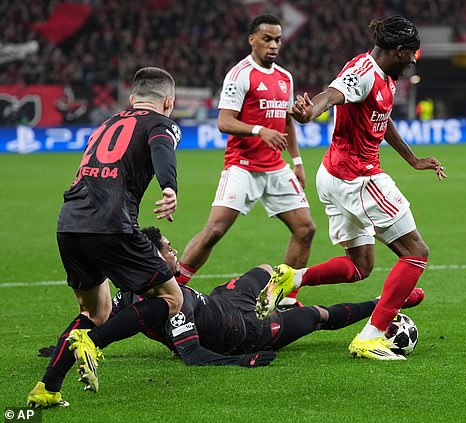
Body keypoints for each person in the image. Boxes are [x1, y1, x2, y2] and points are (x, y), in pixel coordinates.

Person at [259, 15, 445, 361]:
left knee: (360, 266)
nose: (413, 61)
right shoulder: (363, 72)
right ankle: (371, 337)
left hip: (334, 177)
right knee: (416, 252)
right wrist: (309, 112)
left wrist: (413, 159)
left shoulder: (385, 76)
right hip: (357, 178)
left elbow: (382, 118)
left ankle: (291, 280)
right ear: (399, 50)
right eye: (412, 54)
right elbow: (332, 95)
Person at [38, 226, 424, 369]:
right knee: (317, 317)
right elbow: (192, 355)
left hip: (224, 303)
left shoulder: (132, 296)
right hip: (249, 333)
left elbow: (99, 320)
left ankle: (284, 291)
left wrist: (61, 347)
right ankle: (385, 303)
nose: (175, 251)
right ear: (154, 259)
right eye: (169, 249)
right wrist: (243, 360)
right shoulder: (167, 307)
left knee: (263, 270)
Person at [27, 67, 185, 408]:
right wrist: (169, 186)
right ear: (168, 101)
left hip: (70, 223)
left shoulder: (106, 124)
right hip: (112, 223)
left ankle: (48, 387)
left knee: (95, 310)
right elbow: (162, 149)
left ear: (132, 98)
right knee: (172, 299)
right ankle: (94, 342)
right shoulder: (162, 123)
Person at [175, 15, 316, 310]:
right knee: (215, 230)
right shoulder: (240, 74)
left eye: (278, 40)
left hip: (276, 168)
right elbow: (224, 122)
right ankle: (173, 291)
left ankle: (282, 298)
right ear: (252, 40)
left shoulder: (285, 78)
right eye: (267, 39)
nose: (274, 45)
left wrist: (297, 161)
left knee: (306, 229)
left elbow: (287, 122)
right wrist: (259, 130)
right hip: (242, 165)